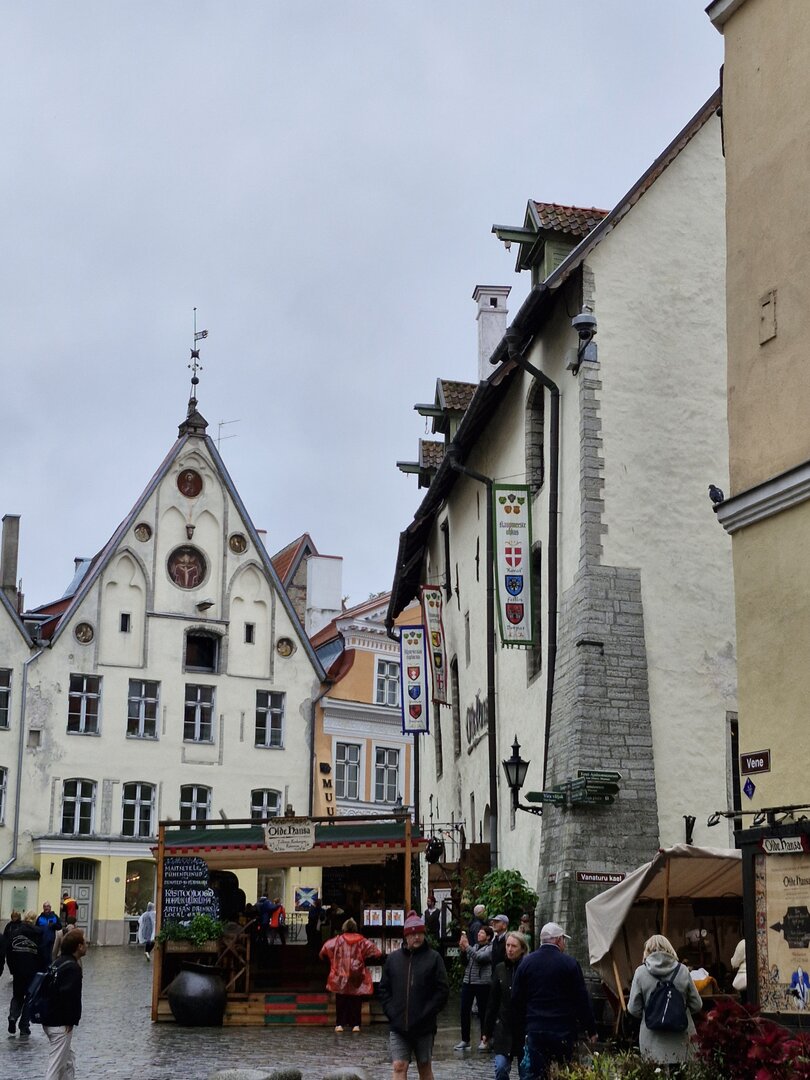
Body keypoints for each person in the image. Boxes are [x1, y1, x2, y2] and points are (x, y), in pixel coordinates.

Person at [511, 921, 597, 1078]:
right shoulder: (570, 964)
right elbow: (581, 999)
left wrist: (522, 1028)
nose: (564, 943)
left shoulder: (526, 963)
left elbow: (517, 999)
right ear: (558, 940)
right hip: (562, 1029)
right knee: (562, 1073)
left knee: (536, 1073)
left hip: (535, 1028)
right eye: (563, 939)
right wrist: (590, 1029)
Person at [378, 910, 449, 1079]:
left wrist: (428, 1012)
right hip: (398, 1026)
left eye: (420, 933)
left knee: (424, 1066)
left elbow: (442, 990)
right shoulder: (393, 959)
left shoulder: (434, 958)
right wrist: (391, 1012)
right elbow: (383, 989)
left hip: (424, 1026)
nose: (417, 937)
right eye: (413, 933)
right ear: (406, 936)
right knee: (399, 1066)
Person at [627, 934, 702, 1065]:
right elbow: (697, 1005)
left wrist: (652, 1013)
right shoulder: (683, 970)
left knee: (655, 1073)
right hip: (682, 1040)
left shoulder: (640, 972)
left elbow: (633, 1009)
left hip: (652, 1041)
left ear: (647, 951)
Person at [320, 917, 382, 1032]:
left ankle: (340, 1024)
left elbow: (325, 948)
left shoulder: (338, 940)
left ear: (344, 928)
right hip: (356, 974)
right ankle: (356, 1024)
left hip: (341, 974)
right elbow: (376, 952)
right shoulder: (362, 940)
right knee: (356, 999)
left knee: (341, 999)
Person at [483, 930, 530, 1079]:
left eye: (514, 946)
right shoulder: (500, 969)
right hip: (503, 1027)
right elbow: (493, 1001)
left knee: (526, 1072)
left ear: (522, 949)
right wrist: (487, 1031)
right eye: (508, 945)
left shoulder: (528, 968)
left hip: (524, 1029)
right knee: (501, 1068)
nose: (510, 949)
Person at [43, 927, 87, 1080]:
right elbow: (69, 995)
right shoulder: (72, 968)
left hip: (50, 1019)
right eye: (85, 942)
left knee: (68, 1061)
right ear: (79, 946)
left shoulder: (58, 962)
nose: (87, 945)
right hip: (59, 1023)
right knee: (55, 1066)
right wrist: (70, 1020)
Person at [455, 924, 494, 1051]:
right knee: (464, 1010)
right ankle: (465, 1039)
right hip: (468, 981)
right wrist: (463, 951)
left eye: (482, 933)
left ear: (488, 937)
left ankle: (484, 1039)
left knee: (483, 1012)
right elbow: (465, 962)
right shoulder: (475, 946)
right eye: (479, 932)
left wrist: (467, 946)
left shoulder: (490, 948)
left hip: (482, 983)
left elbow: (479, 958)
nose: (479, 934)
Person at [5, 910, 41, 1039]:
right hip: (32, 971)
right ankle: (24, 1025)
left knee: (17, 995)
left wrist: (12, 968)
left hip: (18, 970)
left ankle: (13, 1016)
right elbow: (42, 953)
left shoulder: (15, 932)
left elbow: (9, 952)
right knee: (29, 998)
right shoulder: (38, 933)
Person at [36, 902, 62, 967]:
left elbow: (60, 926)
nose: (46, 908)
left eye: (47, 906)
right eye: (45, 906)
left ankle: (50, 968)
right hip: (42, 941)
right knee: (43, 957)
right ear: (43, 908)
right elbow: (36, 928)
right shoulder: (40, 917)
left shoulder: (55, 916)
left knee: (50, 957)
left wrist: (54, 925)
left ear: (50, 907)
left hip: (51, 940)